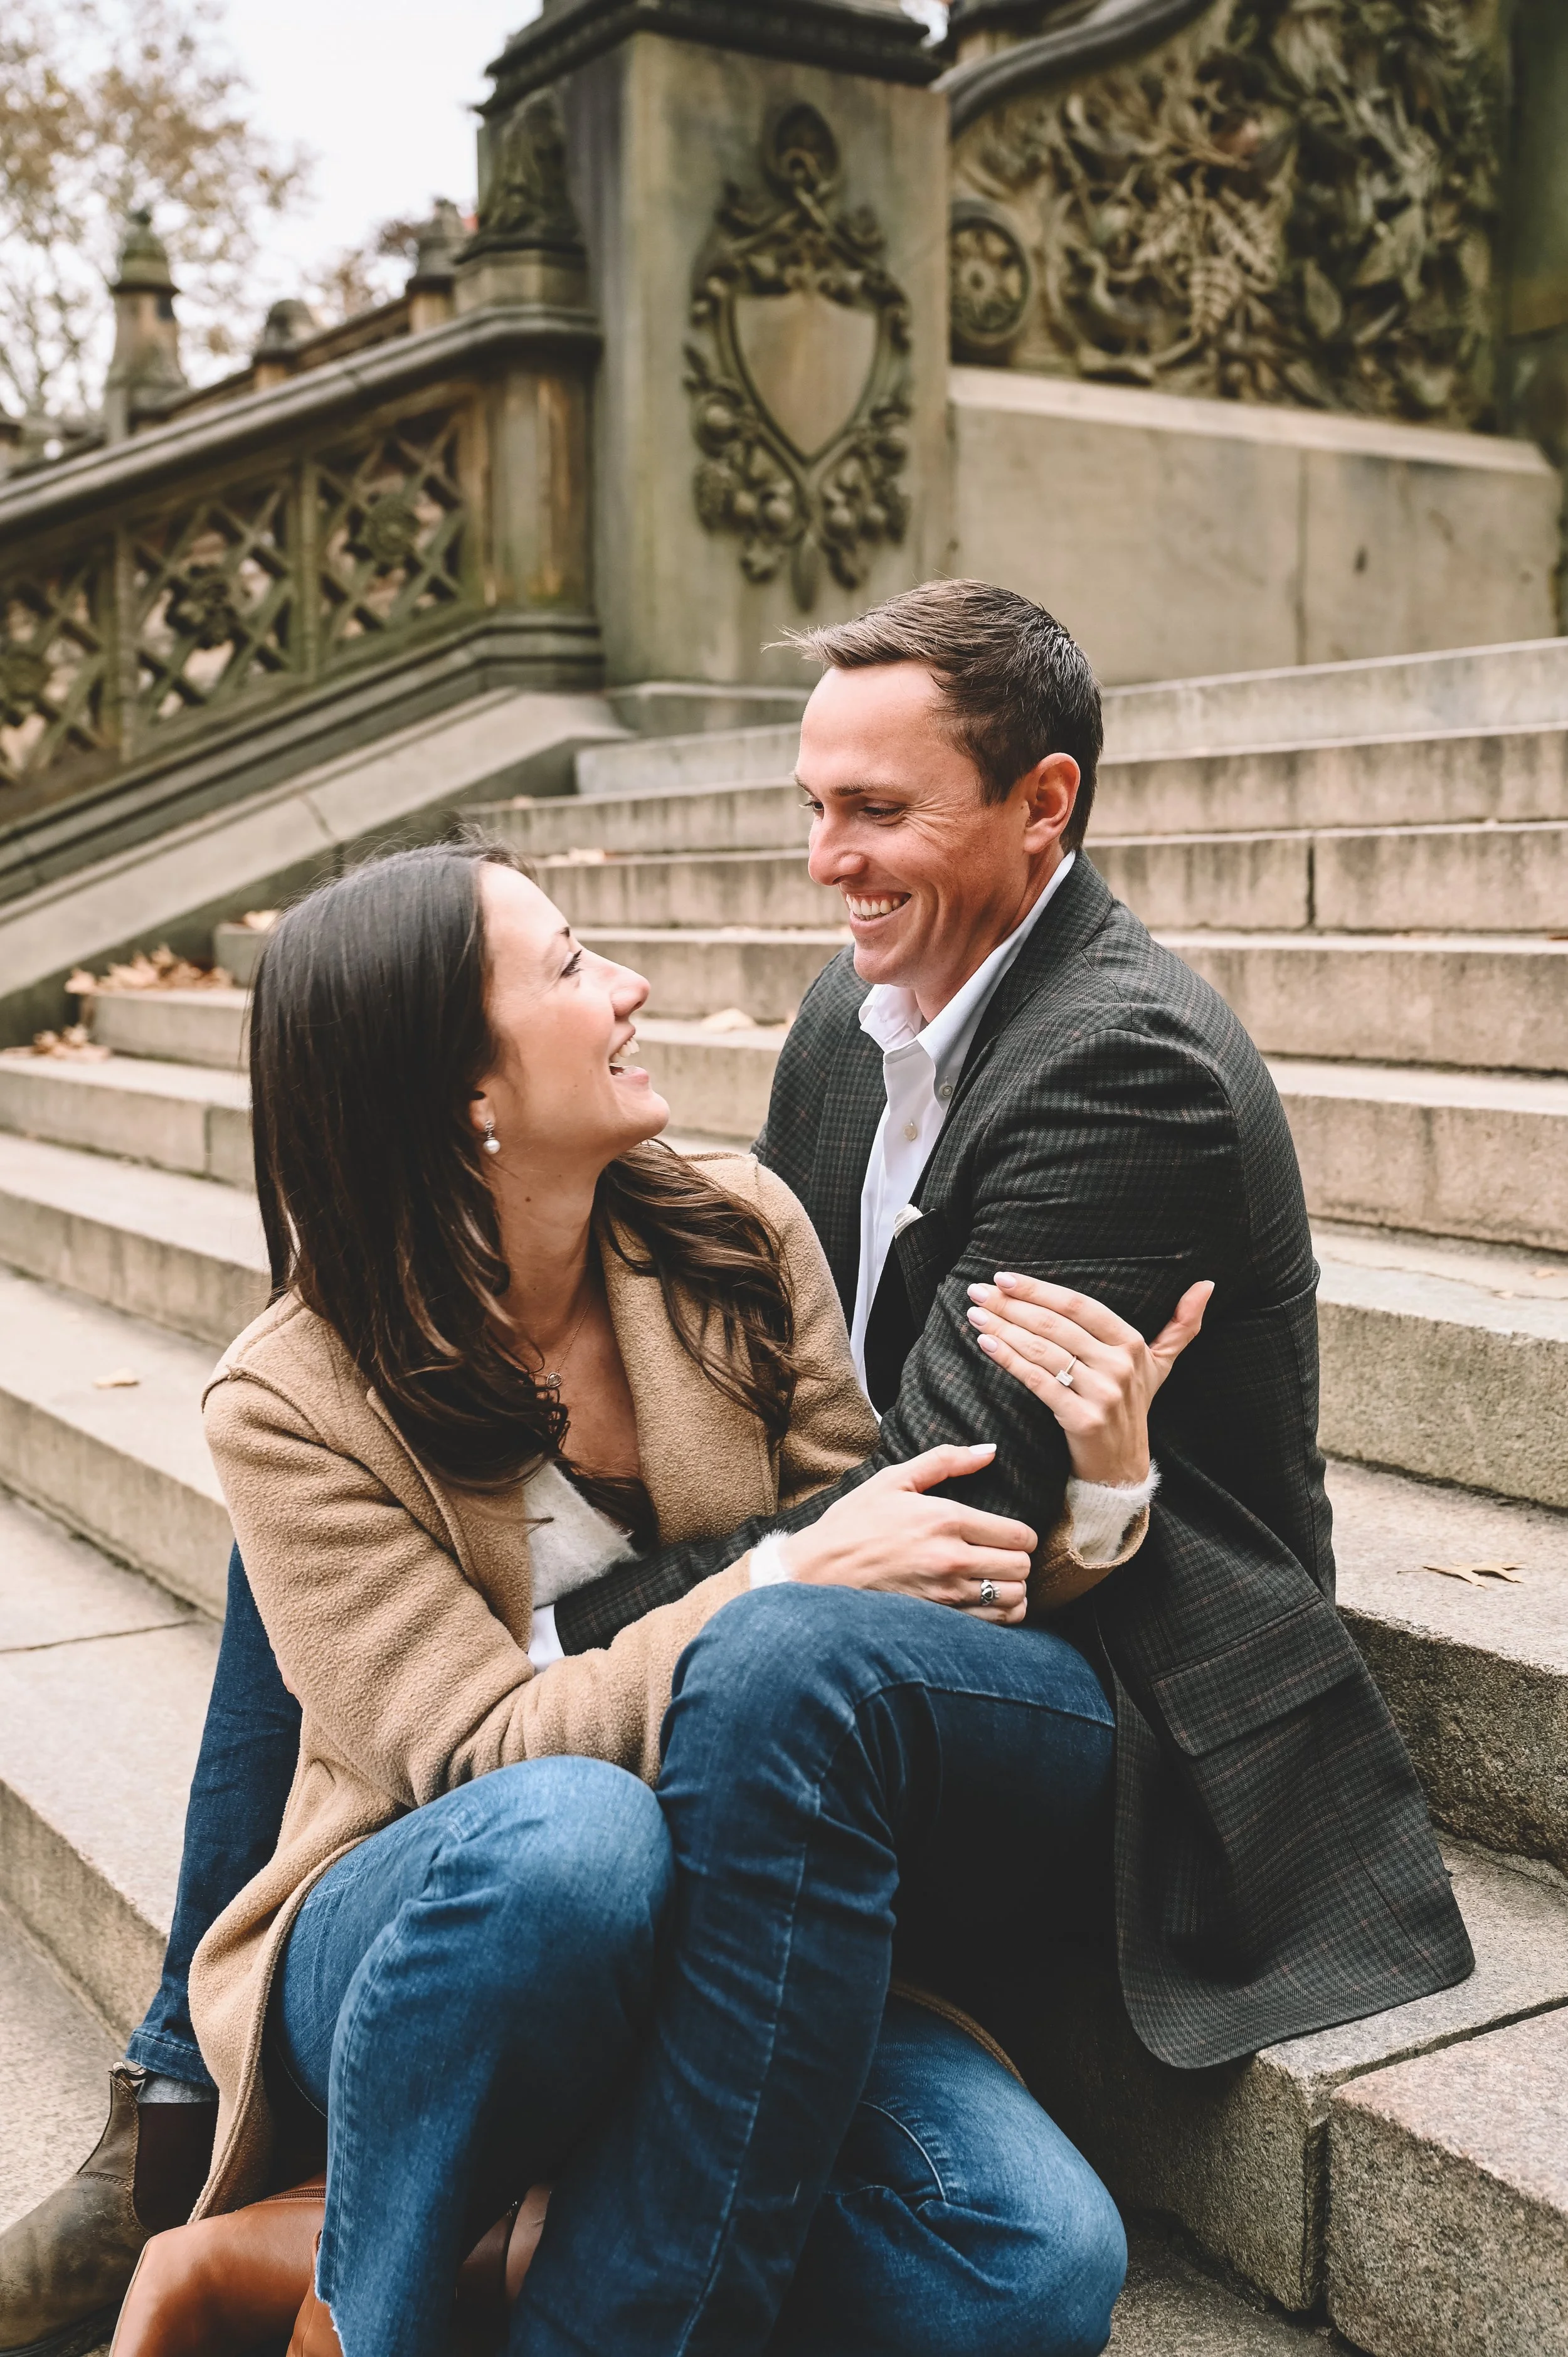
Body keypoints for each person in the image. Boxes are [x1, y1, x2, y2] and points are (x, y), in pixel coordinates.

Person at [1, 578, 1471, 2357]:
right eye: (809, 804)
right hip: (514, 1832)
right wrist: (772, 1580)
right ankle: (210, 2134)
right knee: (551, 1802)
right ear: (463, 1094)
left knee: (1026, 2264)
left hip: (1018, 1703)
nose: (814, 863)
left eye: (872, 808)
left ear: (1040, 805)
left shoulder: (1023, 1101)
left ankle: (342, 2220)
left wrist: (1083, 1498)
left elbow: (910, 1509)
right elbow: (751, 1592)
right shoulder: (325, 1374)